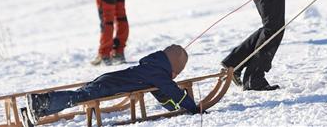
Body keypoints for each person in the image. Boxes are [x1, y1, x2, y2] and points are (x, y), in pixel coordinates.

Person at [26, 45, 202, 121]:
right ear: (172, 67)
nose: (173, 77)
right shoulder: (157, 74)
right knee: (80, 97)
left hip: (109, 79)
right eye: (175, 73)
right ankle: (40, 102)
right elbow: (172, 91)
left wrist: (174, 109)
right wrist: (194, 108)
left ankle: (37, 110)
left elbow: (162, 94)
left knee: (81, 95)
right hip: (110, 85)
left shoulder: (153, 69)